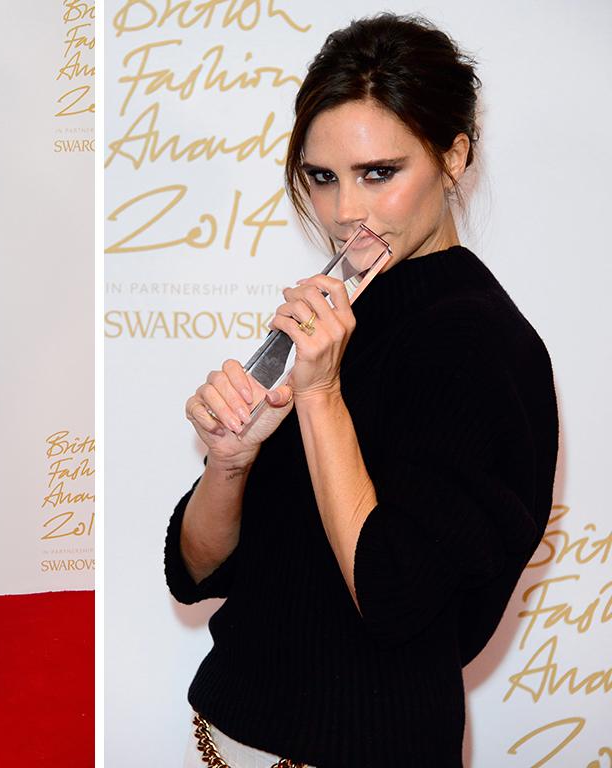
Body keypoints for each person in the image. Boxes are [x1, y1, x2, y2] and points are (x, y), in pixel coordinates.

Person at [167, 14, 558, 768]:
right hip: (223, 734)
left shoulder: (484, 347)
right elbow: (195, 572)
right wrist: (227, 465)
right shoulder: (333, 318)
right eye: (322, 177)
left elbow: (393, 596)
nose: (347, 211)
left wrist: (320, 400)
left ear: (453, 156)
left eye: (379, 173)